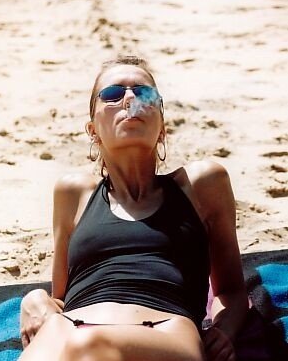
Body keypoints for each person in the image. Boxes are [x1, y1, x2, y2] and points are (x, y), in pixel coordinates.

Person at [19, 56, 249, 361]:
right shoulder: (73, 193)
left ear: (162, 127)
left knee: (89, 346)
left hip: (163, 331)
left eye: (144, 93)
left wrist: (224, 332)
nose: (129, 99)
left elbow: (231, 291)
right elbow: (59, 297)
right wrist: (34, 300)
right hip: (68, 330)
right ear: (93, 130)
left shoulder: (201, 184)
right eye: (112, 94)